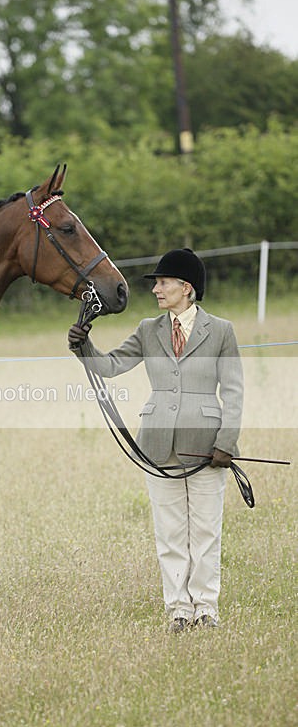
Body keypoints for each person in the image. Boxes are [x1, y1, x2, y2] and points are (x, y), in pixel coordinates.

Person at [68, 248, 243, 633]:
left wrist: (227, 443)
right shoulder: (149, 330)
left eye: (163, 283)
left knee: (206, 532)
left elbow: (233, 392)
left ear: (186, 287)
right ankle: (179, 609)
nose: (156, 290)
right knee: (170, 533)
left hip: (207, 446)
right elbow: (111, 365)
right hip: (158, 445)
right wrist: (84, 347)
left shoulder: (221, 331)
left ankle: (206, 608)